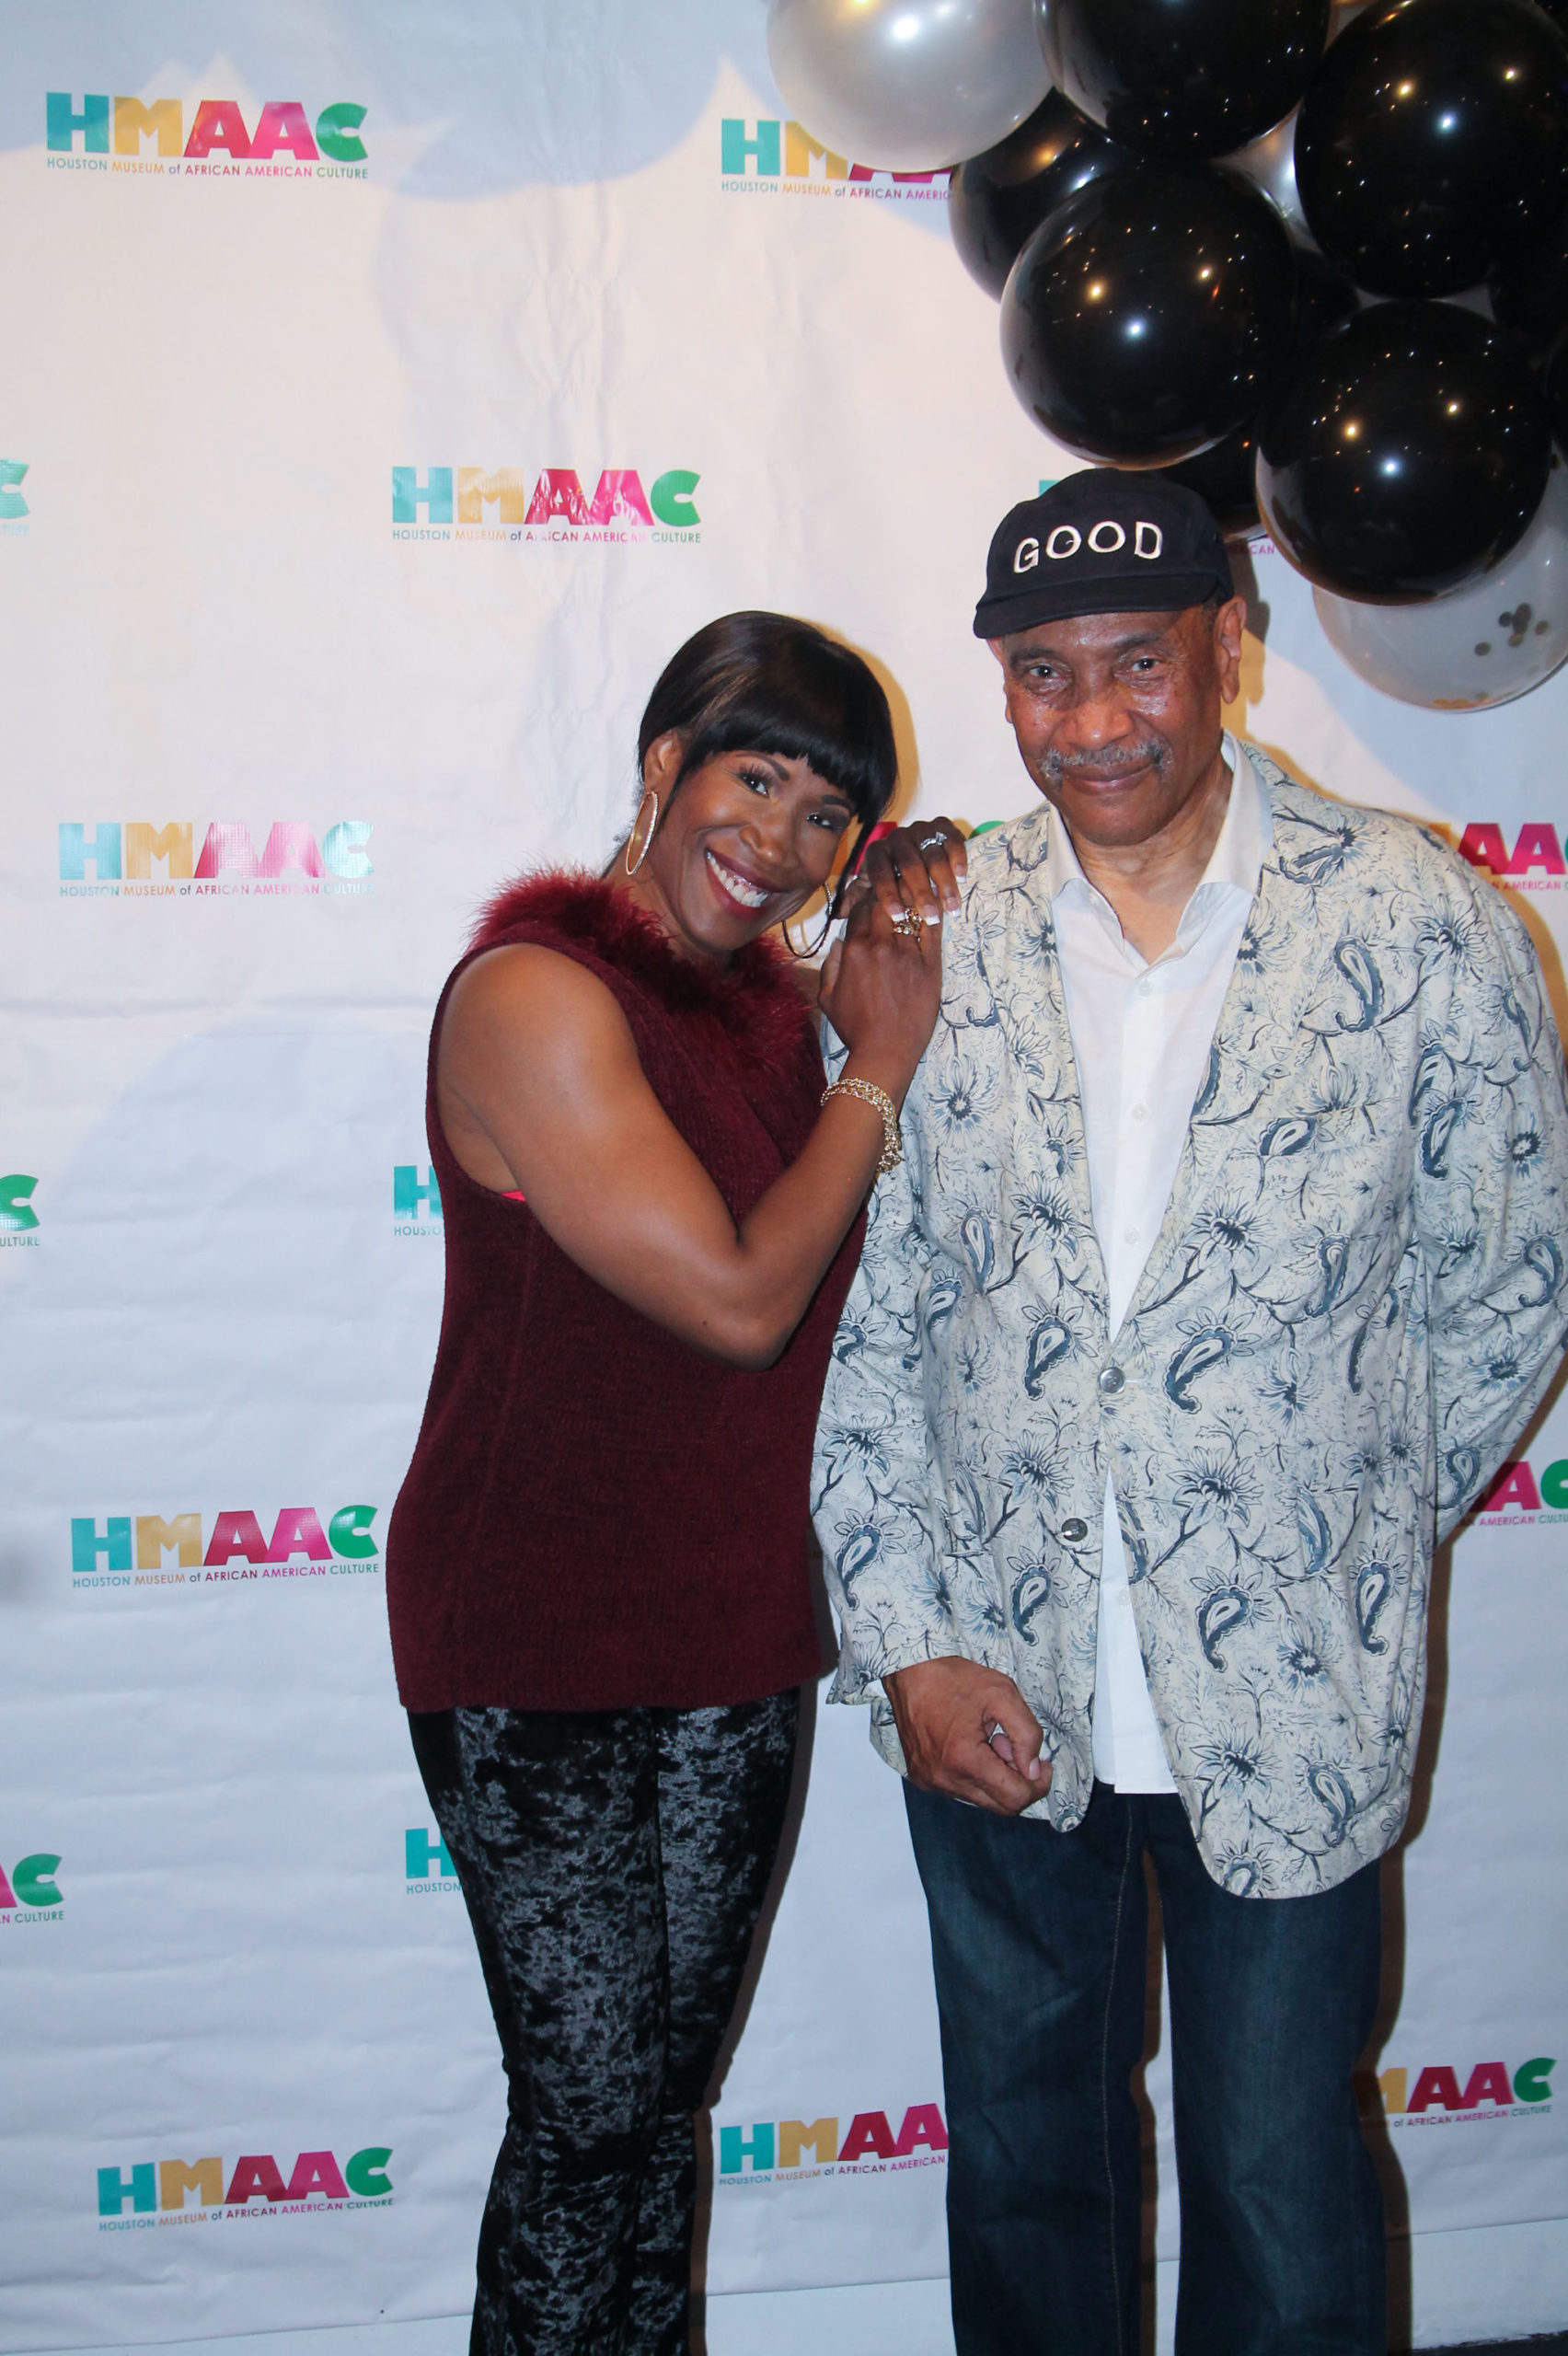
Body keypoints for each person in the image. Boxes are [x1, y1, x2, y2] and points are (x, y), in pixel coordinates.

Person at [813, 471, 1568, 2356]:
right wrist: (905, 1637)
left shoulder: (1419, 920)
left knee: (1280, 2182)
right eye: (1043, 674)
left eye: (1136, 663)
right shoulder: (933, 939)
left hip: (1293, 1693)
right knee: (1025, 2174)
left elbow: (1512, 1278)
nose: (1091, 722)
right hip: (996, 1679)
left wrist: (1334, 1515)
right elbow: (866, 1316)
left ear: (1228, 647)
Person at [385, 610, 942, 2356]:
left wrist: (893, 944)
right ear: (661, 764)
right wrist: (880, 1066)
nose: (778, 841)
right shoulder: (537, 994)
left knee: (653, 2119)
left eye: (825, 814)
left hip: (730, 1623)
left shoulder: (769, 1009)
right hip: (536, 1632)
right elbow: (738, 1300)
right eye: (753, 778)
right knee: (586, 2125)